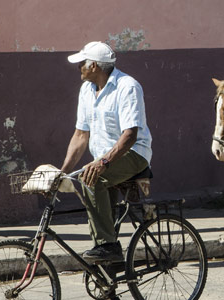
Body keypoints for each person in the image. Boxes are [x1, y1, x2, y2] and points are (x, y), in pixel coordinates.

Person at [60, 41, 153, 261]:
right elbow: (80, 135)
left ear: (94, 67)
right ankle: (108, 278)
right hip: (104, 159)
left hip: (134, 153)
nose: (78, 67)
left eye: (82, 63)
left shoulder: (127, 86)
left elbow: (130, 135)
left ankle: (107, 245)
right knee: (102, 215)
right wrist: (62, 171)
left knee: (91, 178)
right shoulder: (86, 90)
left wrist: (103, 163)